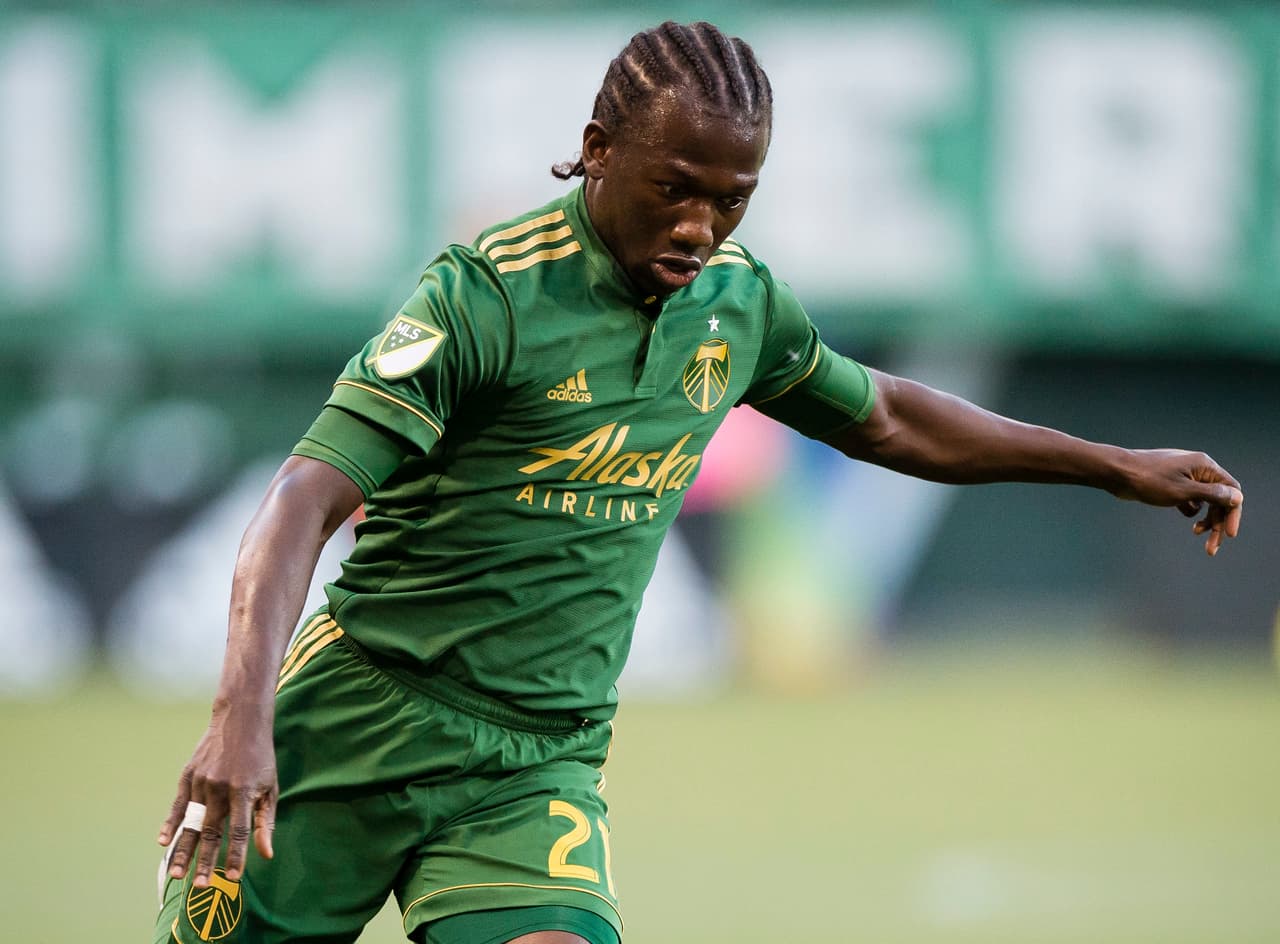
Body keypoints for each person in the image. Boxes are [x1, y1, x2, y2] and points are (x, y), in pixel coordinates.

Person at [152, 20, 1243, 944]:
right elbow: (302, 496)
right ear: (595, 149)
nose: (696, 227)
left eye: (730, 199)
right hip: (358, 722)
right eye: (673, 189)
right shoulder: (480, 298)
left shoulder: (737, 305)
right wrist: (240, 717)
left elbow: (891, 417)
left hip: (536, 761)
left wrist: (1109, 466)